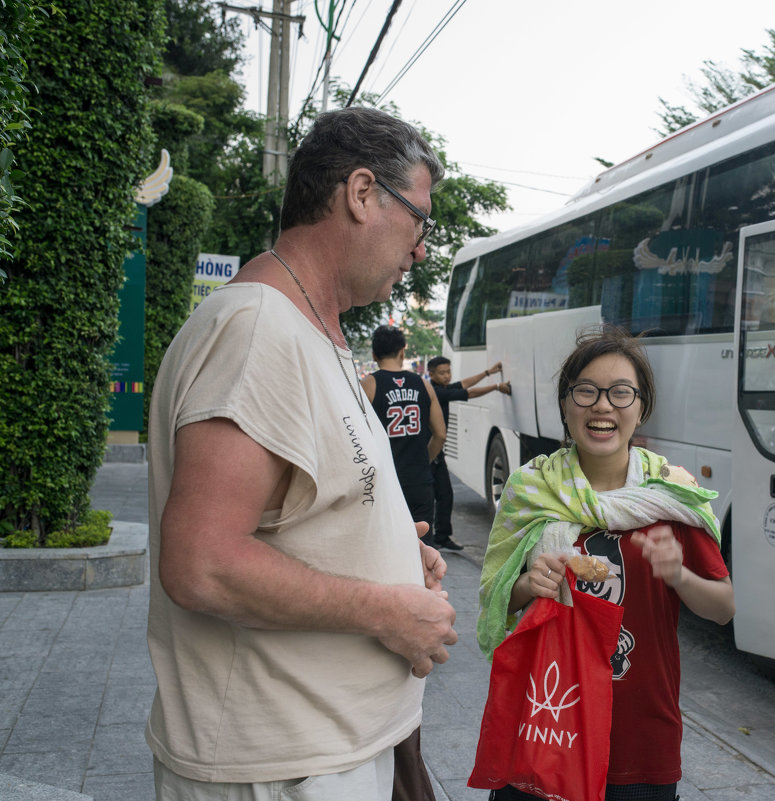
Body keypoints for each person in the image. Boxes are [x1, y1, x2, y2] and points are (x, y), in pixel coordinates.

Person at [146, 107, 458, 801]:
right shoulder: (258, 331)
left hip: (319, 755)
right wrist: (385, 610)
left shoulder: (313, 333)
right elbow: (201, 562)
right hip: (282, 768)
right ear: (360, 193)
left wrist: (391, 552)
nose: (420, 250)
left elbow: (303, 507)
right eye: (420, 220)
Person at [477, 325, 735, 801]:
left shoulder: (671, 494)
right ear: (565, 404)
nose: (602, 406)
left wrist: (678, 575)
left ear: (642, 408)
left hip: (639, 743)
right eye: (586, 392)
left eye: (621, 393)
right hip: (545, 722)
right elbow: (496, 596)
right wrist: (528, 584)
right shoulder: (530, 489)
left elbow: (723, 607)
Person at [362, 325, 446, 547]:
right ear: (402, 352)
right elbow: (440, 434)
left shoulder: (369, 384)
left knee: (385, 546)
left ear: (374, 355)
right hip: (419, 480)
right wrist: (424, 460)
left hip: (384, 481)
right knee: (423, 549)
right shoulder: (423, 384)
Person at [427, 355, 511, 550]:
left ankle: (441, 536)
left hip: (438, 454)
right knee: (428, 498)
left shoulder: (443, 387)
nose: (447, 376)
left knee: (445, 495)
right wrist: (497, 386)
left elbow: (464, 383)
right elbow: (469, 393)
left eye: (448, 371)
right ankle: (427, 539)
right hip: (428, 452)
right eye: (442, 373)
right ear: (431, 374)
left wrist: (488, 372)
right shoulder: (435, 392)